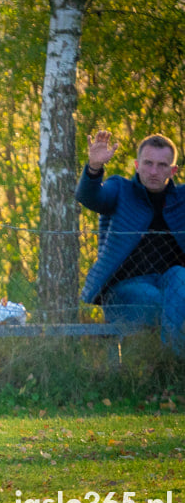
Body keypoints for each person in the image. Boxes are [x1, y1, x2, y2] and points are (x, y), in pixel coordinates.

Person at [76, 130, 185, 356]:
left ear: (173, 170)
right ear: (136, 165)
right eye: (148, 163)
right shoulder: (120, 189)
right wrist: (94, 168)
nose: (154, 171)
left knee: (181, 277)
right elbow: (90, 197)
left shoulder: (182, 198)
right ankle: (172, 364)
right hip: (124, 289)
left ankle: (171, 364)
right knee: (163, 302)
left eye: (162, 165)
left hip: (170, 283)